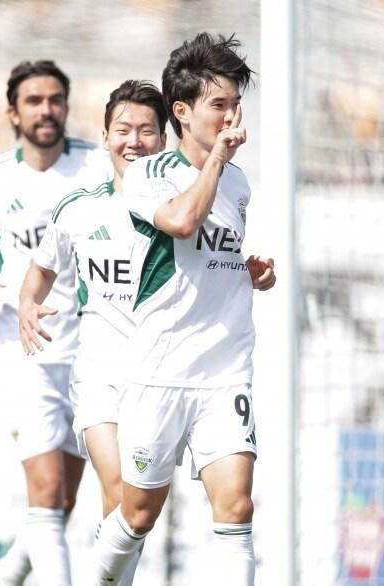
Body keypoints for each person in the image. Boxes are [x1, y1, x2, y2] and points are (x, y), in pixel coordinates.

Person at [90, 33, 276, 585]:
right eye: (218, 105)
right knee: (138, 514)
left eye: (235, 105)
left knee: (237, 508)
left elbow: (208, 253)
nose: (230, 116)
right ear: (181, 110)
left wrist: (248, 272)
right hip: (161, 372)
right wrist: (217, 158)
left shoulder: (238, 183)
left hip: (225, 372)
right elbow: (181, 222)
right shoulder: (150, 173)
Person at [0, 60, 112, 586]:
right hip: (22, 347)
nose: (47, 109)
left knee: (62, 501)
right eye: (34, 101)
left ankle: (7, 572)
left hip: (90, 348)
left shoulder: (99, 167)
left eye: (56, 99)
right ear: (13, 113)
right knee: (44, 489)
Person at [17, 80, 167, 585]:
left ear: (163, 141)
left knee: (135, 514)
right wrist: (26, 307)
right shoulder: (77, 208)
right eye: (123, 129)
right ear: (104, 137)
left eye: (147, 131)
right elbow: (38, 273)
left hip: (163, 380)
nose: (135, 141)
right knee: (121, 492)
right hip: (98, 379)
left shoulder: (180, 214)